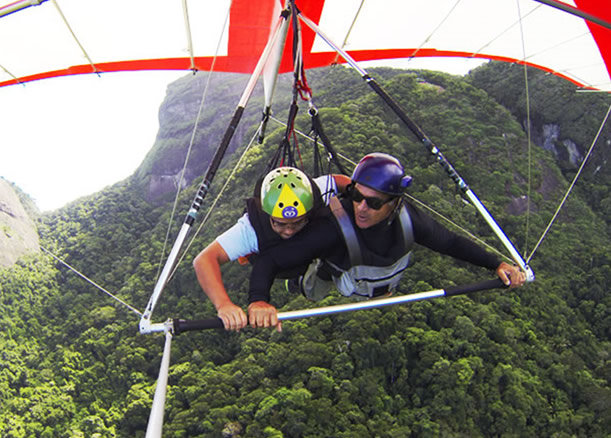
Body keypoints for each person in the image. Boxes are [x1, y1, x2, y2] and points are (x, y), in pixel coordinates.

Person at [246, 152, 527, 330]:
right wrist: (259, 300)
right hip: (340, 271)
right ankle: (304, 277)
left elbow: (450, 243)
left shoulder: (409, 219)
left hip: (374, 279)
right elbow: (270, 262)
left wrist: (496, 264)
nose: (361, 208)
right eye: (356, 196)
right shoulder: (333, 227)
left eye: (374, 202)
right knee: (311, 289)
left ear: (395, 203)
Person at [193, 166, 350, 331]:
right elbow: (204, 259)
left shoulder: (311, 193)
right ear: (268, 215)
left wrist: (357, 195)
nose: (288, 230)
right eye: (280, 223)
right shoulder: (249, 229)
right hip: (278, 264)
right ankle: (297, 281)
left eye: (297, 222)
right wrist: (224, 305)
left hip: (311, 250)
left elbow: (337, 181)